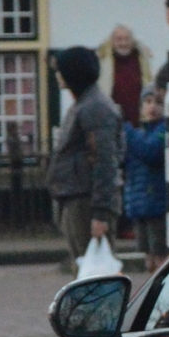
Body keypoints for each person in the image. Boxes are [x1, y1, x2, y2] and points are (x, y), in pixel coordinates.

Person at [46, 46, 122, 271]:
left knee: (95, 271)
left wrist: (100, 214)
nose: (57, 75)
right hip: (76, 197)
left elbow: (105, 160)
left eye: (60, 70)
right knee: (86, 267)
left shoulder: (95, 108)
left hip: (85, 201)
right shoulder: (85, 104)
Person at [121, 85, 169, 269]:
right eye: (148, 102)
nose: (153, 107)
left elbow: (149, 152)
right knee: (148, 258)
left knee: (160, 258)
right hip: (139, 204)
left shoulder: (163, 130)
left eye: (159, 103)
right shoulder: (139, 134)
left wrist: (126, 129)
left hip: (156, 204)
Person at [107, 25, 146, 122]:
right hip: (112, 120)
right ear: (112, 41)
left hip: (139, 120)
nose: (123, 43)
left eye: (127, 39)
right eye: (119, 39)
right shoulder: (104, 62)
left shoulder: (143, 60)